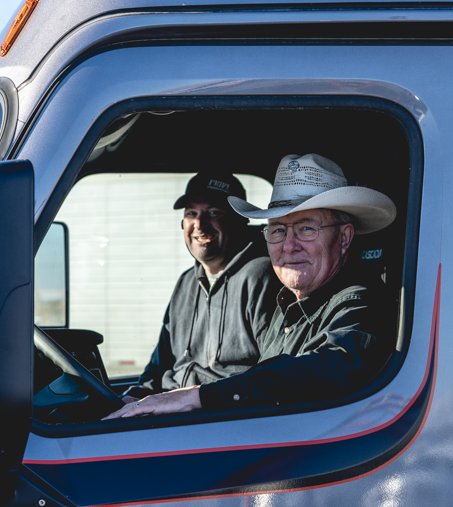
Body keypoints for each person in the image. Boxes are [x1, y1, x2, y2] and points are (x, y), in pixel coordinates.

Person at [105, 154, 396, 418]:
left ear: (344, 238)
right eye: (278, 230)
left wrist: (199, 397)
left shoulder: (360, 301)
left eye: (307, 228)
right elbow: (268, 380)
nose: (289, 246)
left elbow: (332, 366)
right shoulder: (288, 303)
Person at [119, 171, 280, 402]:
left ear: (239, 221)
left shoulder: (261, 277)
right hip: (174, 408)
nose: (199, 224)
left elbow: (270, 379)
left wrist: (194, 401)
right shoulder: (186, 283)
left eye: (213, 213)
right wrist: (133, 398)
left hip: (219, 415)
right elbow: (157, 369)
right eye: (191, 214)